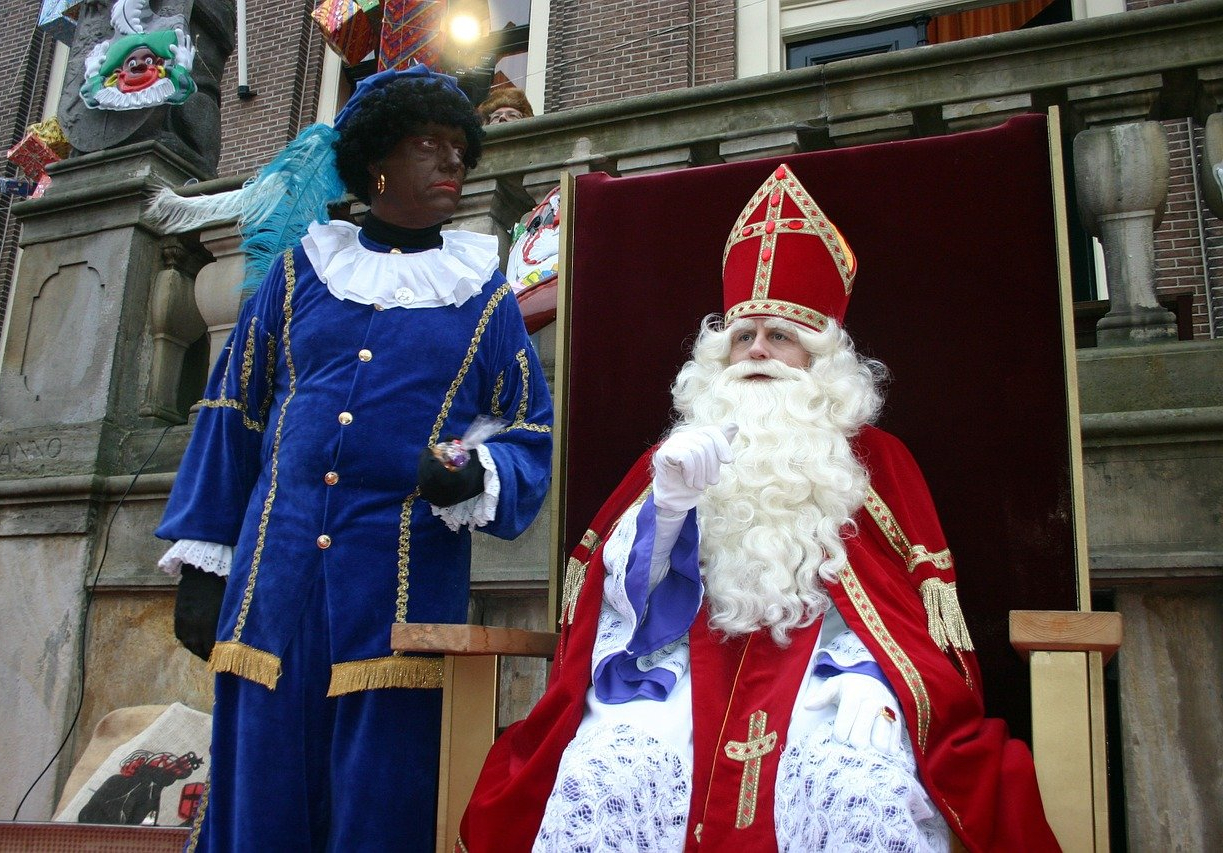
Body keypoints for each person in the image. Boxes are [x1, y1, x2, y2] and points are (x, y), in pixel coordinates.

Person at [458, 166, 1059, 852]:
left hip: (824, 687)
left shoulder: (876, 461)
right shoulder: (676, 456)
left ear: (824, 360)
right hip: (676, 680)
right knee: (603, 778)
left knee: (862, 787)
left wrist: (872, 677)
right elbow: (615, 608)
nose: (758, 352)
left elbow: (904, 612)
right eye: (743, 338)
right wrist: (669, 506)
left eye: (780, 336)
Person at [152, 65, 553, 851]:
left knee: (382, 803)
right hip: (274, 584)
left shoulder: (482, 292)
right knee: (260, 792)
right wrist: (205, 562)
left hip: (400, 595)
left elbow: (527, 425)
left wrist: (477, 473)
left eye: (457, 147)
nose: (451, 162)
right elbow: (233, 406)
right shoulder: (302, 271)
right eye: (426, 145)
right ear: (377, 164)